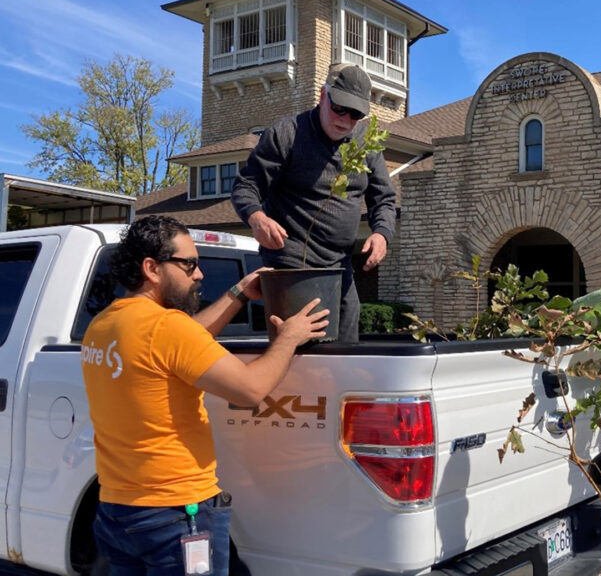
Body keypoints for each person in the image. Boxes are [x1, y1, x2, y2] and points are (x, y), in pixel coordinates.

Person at [81, 215, 329, 574]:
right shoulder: (166, 328)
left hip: (116, 513)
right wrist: (289, 338)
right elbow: (250, 390)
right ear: (151, 268)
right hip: (174, 514)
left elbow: (184, 342)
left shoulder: (103, 325)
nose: (199, 275)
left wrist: (239, 293)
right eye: (189, 264)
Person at [231, 62, 397, 343]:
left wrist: (382, 234)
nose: (345, 119)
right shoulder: (286, 134)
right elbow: (246, 186)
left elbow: (384, 199)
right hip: (290, 266)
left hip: (339, 267)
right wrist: (257, 219)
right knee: (298, 352)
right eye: (339, 108)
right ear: (323, 96)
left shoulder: (366, 146)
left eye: (355, 114)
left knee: (347, 352)